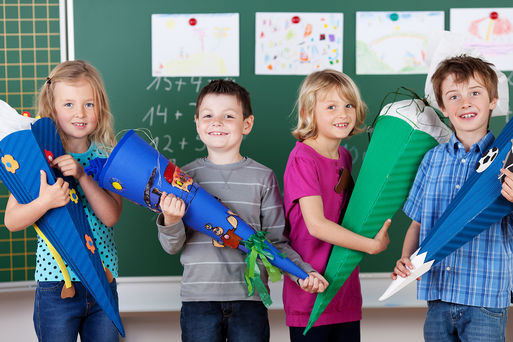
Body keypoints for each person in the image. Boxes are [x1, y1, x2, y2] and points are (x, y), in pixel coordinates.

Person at [156, 79, 328, 342]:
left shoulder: (263, 177)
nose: (217, 122)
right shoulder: (183, 178)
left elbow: (275, 243)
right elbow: (172, 246)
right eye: (208, 115)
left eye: (228, 116)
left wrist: (303, 272)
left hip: (250, 299)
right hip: (198, 299)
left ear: (246, 124)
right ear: (197, 123)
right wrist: (170, 219)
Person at [391, 55, 513, 342]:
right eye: (453, 96)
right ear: (443, 108)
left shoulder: (508, 161)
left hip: (485, 296)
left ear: (493, 101)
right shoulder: (431, 160)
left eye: (475, 93)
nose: (465, 102)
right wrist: (406, 258)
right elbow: (418, 224)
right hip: (438, 294)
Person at [4, 60, 123, 341]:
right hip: (56, 284)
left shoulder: (108, 156)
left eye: (89, 104)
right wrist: (44, 202)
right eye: (68, 104)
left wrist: (83, 176)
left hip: (102, 279)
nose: (79, 113)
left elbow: (110, 216)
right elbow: (11, 221)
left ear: (101, 107)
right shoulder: (36, 158)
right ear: (52, 108)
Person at [282, 69, 391, 342]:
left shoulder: (343, 156)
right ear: (308, 113)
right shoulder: (302, 159)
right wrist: (371, 245)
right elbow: (316, 225)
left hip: (343, 288)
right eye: (330, 106)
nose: (342, 114)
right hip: (311, 290)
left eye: (348, 105)